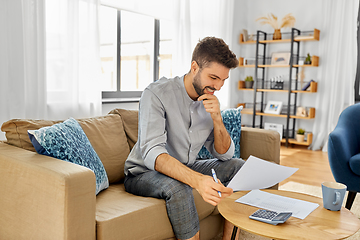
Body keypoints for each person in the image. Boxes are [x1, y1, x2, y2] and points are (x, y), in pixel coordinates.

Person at [124, 37, 244, 240]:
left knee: (238, 166)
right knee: (178, 186)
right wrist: (198, 181)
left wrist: (217, 118)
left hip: (184, 166)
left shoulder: (209, 100)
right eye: (213, 77)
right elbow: (154, 153)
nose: (219, 86)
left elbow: (225, 155)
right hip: (142, 173)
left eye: (223, 80)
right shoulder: (156, 94)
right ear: (194, 67)